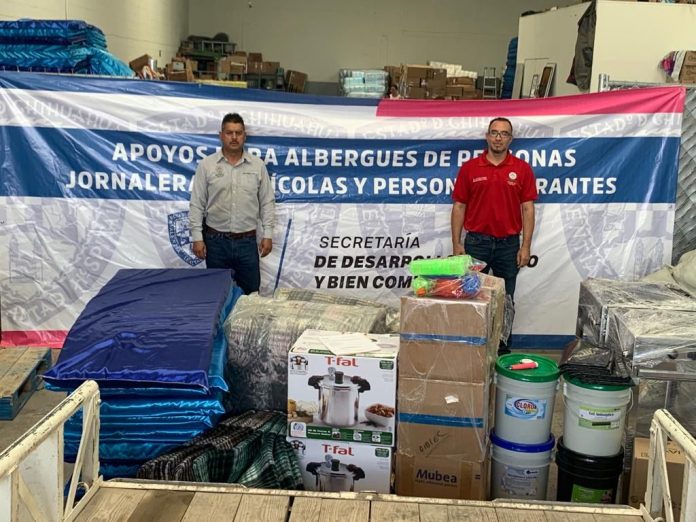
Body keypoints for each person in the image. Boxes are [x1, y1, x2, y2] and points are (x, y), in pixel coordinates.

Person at [451, 117, 537, 355]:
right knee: (469, 296)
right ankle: (469, 349)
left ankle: (501, 351)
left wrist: (525, 246)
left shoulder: (522, 169)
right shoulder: (470, 168)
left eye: (504, 133)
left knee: (505, 300)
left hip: (508, 246)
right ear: (487, 136)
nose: (498, 138)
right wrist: (457, 243)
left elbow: (528, 208)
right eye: (494, 133)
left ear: (511, 139)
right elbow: (459, 206)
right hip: (476, 243)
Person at [189, 112, 275, 294]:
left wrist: (268, 233)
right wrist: (197, 237)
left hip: (247, 242)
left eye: (238, 133)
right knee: (216, 295)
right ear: (221, 135)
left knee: (251, 295)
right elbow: (197, 203)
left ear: (245, 136)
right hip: (215, 243)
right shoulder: (207, 165)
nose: (234, 137)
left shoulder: (257, 166)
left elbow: (267, 202)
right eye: (229, 133)